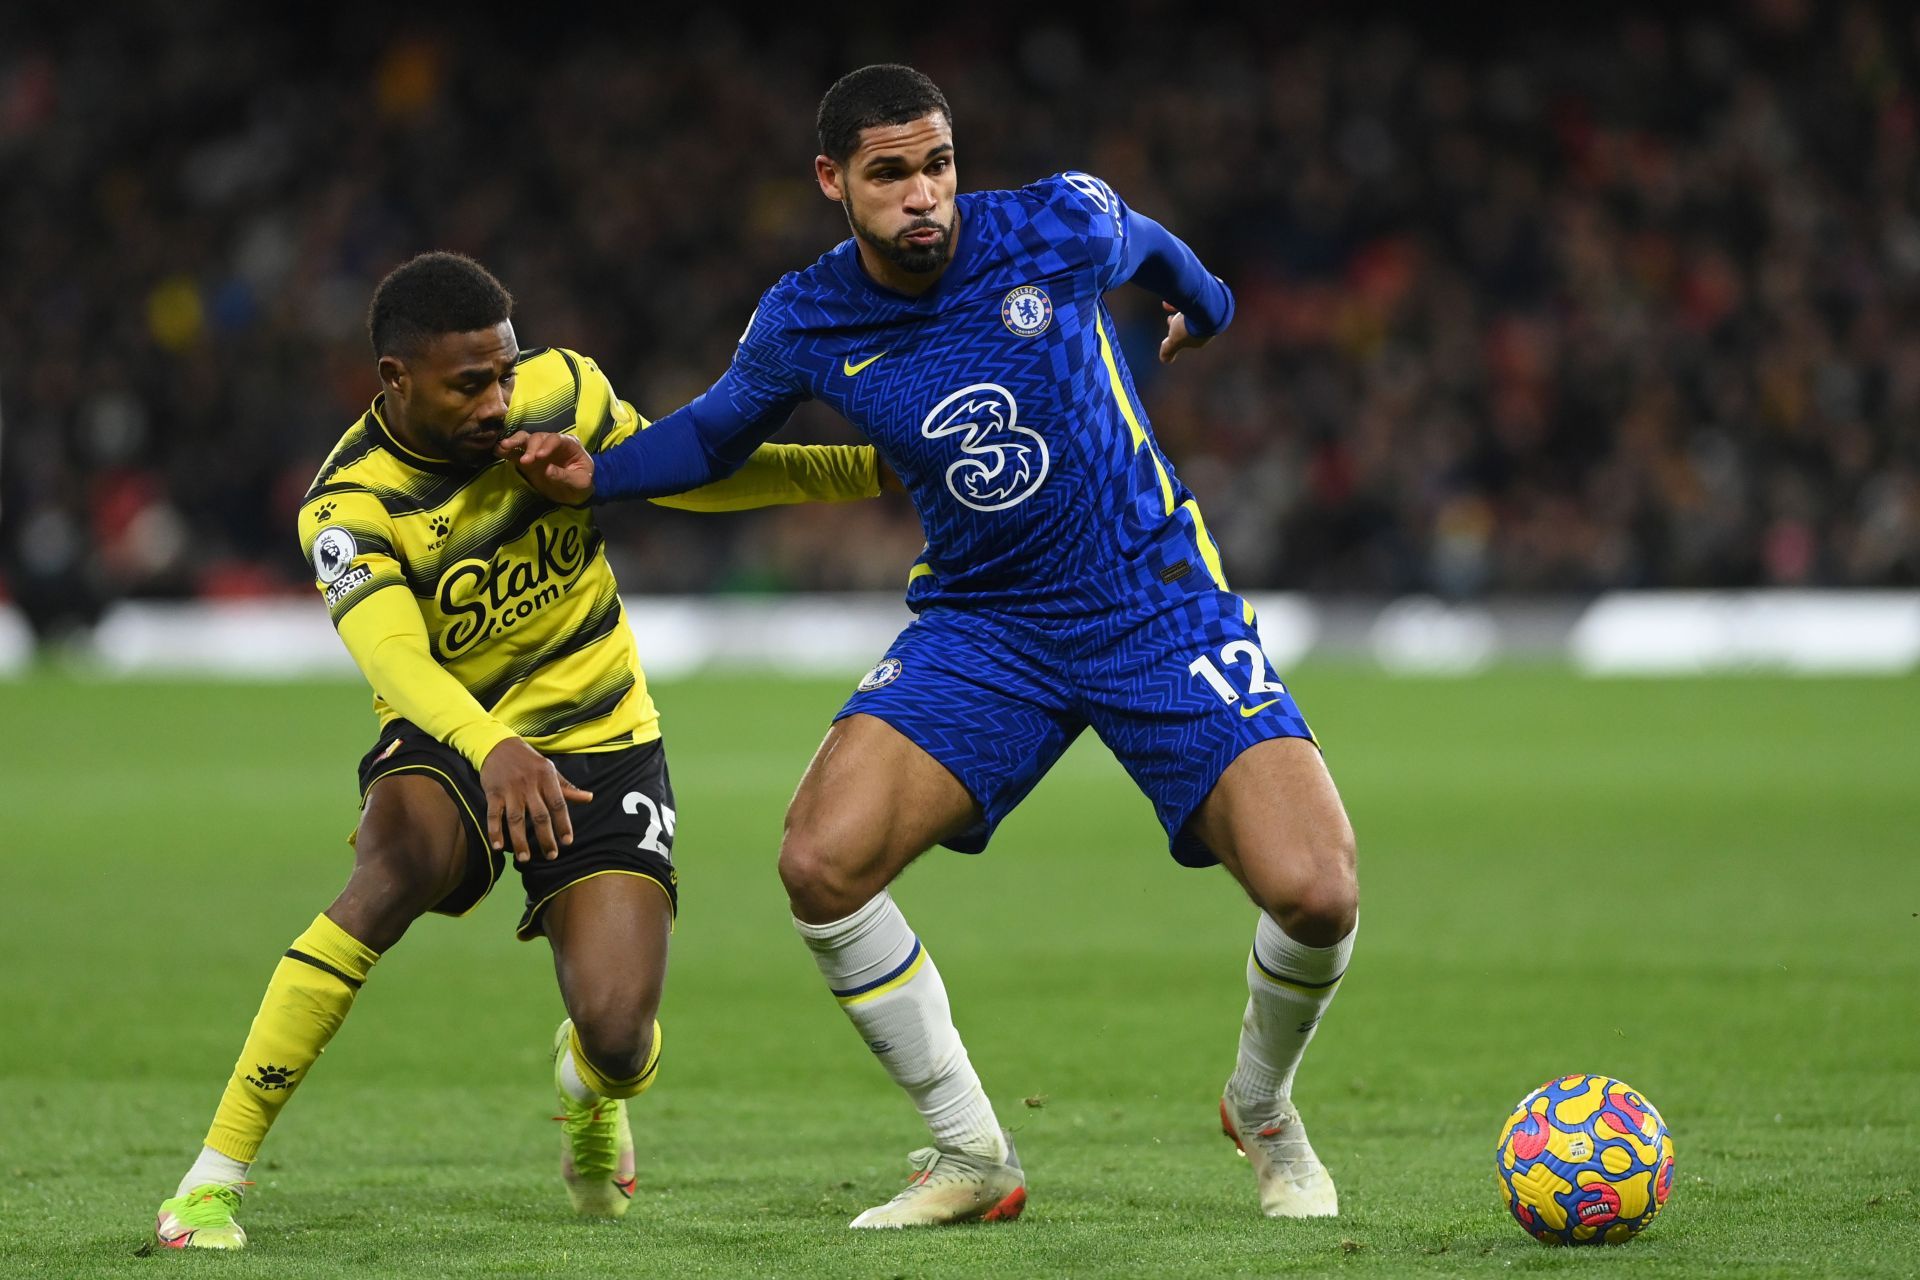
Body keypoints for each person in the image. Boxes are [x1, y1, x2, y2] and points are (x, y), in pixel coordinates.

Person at [508, 64, 1360, 1228]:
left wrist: (1202, 306)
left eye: (939, 166)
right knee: (820, 859)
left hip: (1152, 597)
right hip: (987, 620)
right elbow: (714, 435)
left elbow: (1155, 243)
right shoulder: (806, 316)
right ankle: (970, 1150)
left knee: (1317, 889)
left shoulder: (1055, 222)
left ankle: (1261, 1104)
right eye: (891, 173)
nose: (925, 197)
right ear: (833, 181)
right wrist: (600, 474)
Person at [152, 251, 885, 1249]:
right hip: (453, 734)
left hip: (600, 731)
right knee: (390, 867)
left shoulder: (561, 391)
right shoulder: (348, 505)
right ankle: (210, 1180)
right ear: (394, 381)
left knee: (622, 1035)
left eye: (503, 371)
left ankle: (589, 1085)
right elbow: (395, 656)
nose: (499, 400)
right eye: (469, 384)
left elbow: (689, 470)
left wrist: (870, 469)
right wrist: (492, 744)